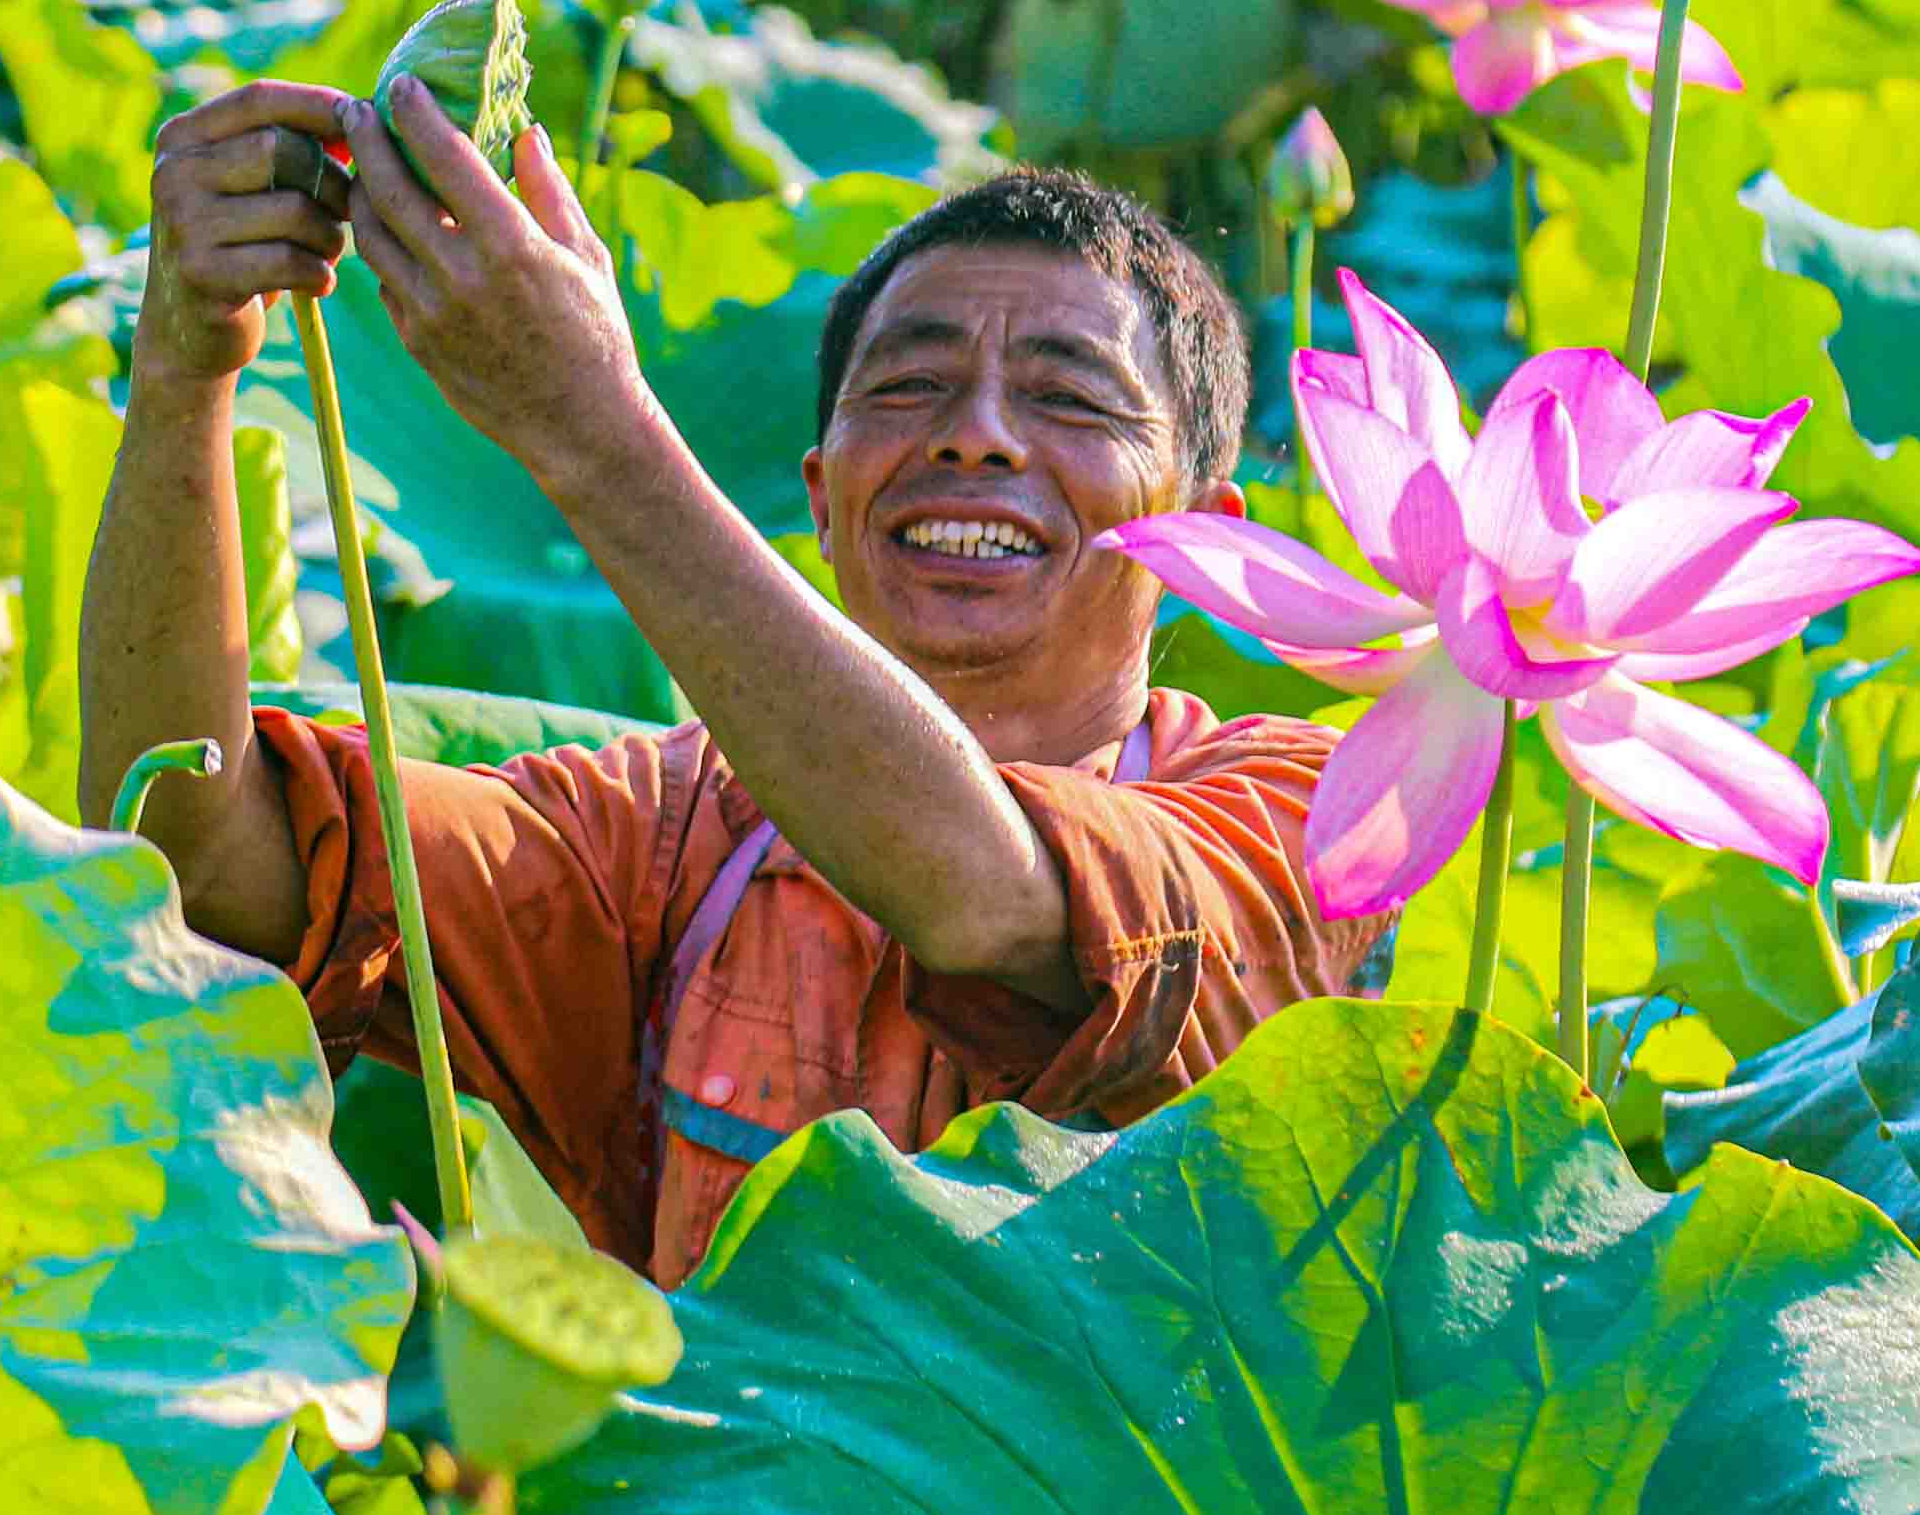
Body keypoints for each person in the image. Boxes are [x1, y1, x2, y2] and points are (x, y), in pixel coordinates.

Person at [80, 68, 1390, 1281]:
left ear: (1206, 532)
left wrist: (586, 423)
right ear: (818, 500)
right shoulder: (661, 841)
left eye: (1073, 400)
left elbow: (986, 899)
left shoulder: (1321, 817)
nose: (976, 439)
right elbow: (183, 852)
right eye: (911, 386)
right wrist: (187, 362)